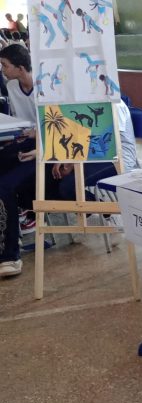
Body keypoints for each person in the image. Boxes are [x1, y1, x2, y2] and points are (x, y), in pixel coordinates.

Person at [46, 102, 140, 203]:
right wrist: (64, 157)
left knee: (68, 185)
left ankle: (100, 208)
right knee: (50, 173)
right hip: (92, 156)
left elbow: (106, 143)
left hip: (117, 160)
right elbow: (79, 136)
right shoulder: (85, 102)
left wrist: (72, 163)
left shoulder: (115, 104)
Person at [0, 44, 37, 277]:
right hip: (25, 141)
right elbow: (19, 123)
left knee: (5, 185)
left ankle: (10, 255)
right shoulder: (13, 86)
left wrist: (37, 145)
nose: (2, 70)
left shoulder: (46, 87)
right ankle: (17, 217)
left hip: (46, 148)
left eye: (5, 66)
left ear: (21, 68)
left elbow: (58, 128)